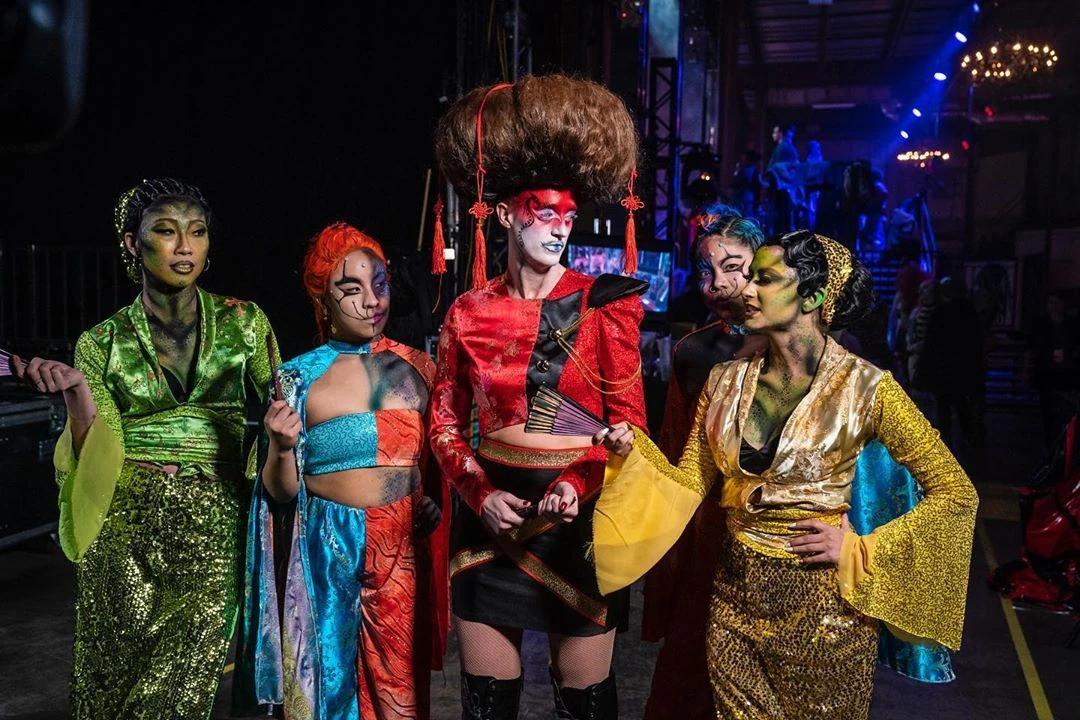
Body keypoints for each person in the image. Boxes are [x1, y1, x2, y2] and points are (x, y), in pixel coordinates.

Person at [593, 230, 978, 719]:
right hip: (733, 604)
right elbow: (689, 482)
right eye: (750, 277)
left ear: (813, 297)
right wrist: (635, 454)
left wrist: (862, 549)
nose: (746, 290)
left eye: (766, 279)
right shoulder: (723, 381)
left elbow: (956, 492)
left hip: (826, 612)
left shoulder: (867, 388)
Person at [14, 178, 277, 719]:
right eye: (166, 231)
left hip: (217, 518)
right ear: (133, 243)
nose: (184, 246)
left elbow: (285, 404)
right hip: (126, 523)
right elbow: (98, 449)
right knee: (114, 677)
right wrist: (77, 393)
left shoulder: (245, 323)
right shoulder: (101, 342)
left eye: (197, 232)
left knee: (182, 679)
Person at [430, 74, 647, 719]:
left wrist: (578, 482)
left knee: (585, 702)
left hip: (577, 520)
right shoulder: (468, 312)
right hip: (489, 517)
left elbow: (629, 426)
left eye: (568, 217)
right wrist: (479, 494)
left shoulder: (604, 306)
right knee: (487, 704)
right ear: (505, 215)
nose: (559, 228)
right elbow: (443, 423)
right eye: (544, 212)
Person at [241, 224, 449, 719]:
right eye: (351, 289)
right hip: (326, 547)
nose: (371, 301)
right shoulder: (296, 377)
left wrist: (429, 501)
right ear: (322, 298)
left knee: (400, 694)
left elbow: (431, 465)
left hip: (400, 549)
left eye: (379, 284)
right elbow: (281, 494)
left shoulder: (420, 369)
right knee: (327, 692)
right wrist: (280, 446)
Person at [642, 207, 765, 720]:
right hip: (710, 526)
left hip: (782, 528)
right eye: (705, 272)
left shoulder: (802, 346)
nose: (717, 284)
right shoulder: (694, 351)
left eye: (733, 267)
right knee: (694, 662)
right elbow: (677, 451)